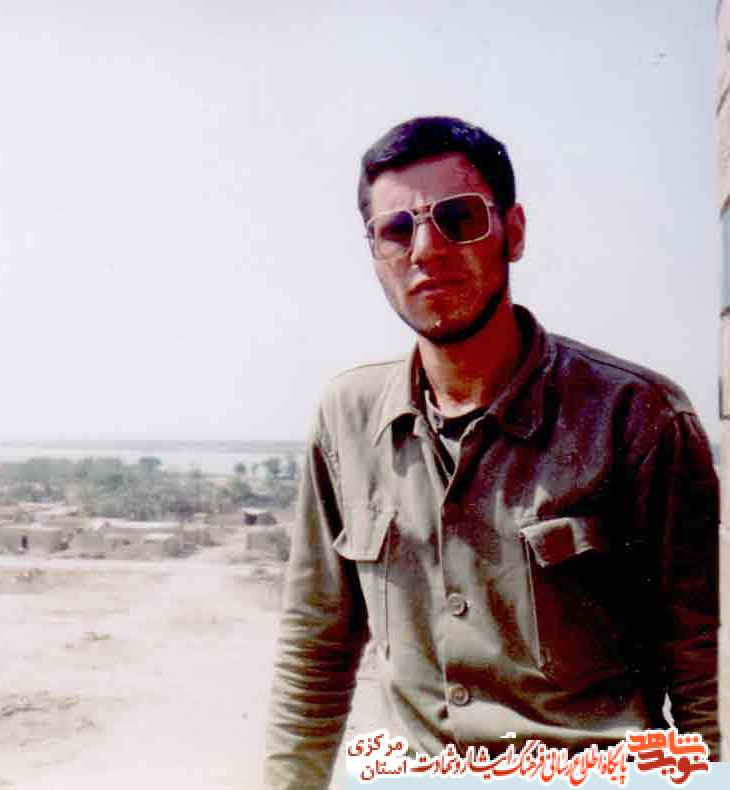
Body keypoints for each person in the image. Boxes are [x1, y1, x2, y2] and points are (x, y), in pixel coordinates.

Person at [264, 116, 720, 788]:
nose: (426, 250)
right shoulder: (347, 420)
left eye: (458, 219)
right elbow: (314, 651)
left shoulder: (637, 417)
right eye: (397, 230)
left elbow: (701, 670)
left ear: (514, 231)